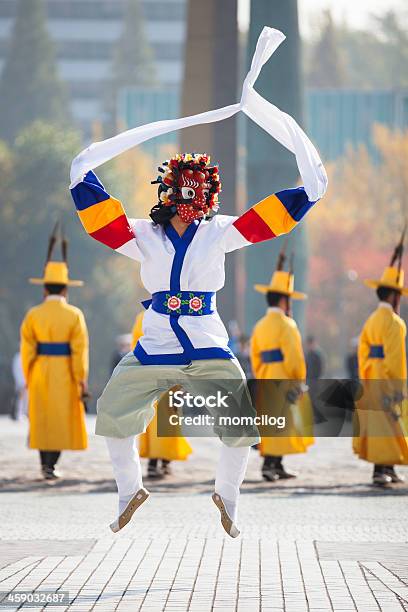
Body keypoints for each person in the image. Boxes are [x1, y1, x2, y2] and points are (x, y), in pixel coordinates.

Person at [71, 152, 322, 537]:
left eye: (198, 192)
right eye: (184, 190)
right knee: (112, 410)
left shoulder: (217, 230)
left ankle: (227, 496)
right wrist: (81, 175)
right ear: (168, 192)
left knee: (240, 420)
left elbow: (264, 221)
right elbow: (104, 223)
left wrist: (307, 192)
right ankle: (129, 490)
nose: (191, 202)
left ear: (207, 196)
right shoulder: (145, 234)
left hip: (206, 341)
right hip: (155, 344)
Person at [20, 224, 89, 480]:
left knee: (42, 417)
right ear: (66, 289)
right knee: (60, 417)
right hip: (65, 372)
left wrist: (28, 374)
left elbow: (27, 348)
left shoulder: (33, 315)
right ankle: (52, 464)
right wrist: (80, 378)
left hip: (39, 368)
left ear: (45, 288)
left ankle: (43, 463)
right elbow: (79, 349)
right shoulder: (74, 315)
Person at [251, 249, 314, 482]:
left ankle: (275, 464)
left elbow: (255, 356)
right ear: (284, 300)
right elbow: (294, 358)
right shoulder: (287, 325)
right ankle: (271, 464)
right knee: (282, 421)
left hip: (266, 376)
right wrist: (299, 381)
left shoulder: (260, 325)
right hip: (284, 377)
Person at [353, 231, 408, 486]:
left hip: (371, 378)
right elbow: (395, 358)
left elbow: (363, 352)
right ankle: (381, 469)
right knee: (389, 425)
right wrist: (397, 387)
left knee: (381, 427)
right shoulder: (395, 323)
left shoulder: (371, 319)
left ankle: (387, 466)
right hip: (386, 380)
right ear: (394, 296)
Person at [131, 311, 192, 479]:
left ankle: (153, 461)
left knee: (151, 416)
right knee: (170, 414)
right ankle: (165, 460)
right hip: (171, 371)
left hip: (149, 371)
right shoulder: (178, 315)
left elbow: (135, 347)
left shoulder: (142, 317)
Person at [11, 350, 27, 420]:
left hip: (27, 382)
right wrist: (20, 382)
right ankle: (17, 414)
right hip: (21, 382)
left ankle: (25, 413)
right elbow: (16, 370)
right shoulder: (17, 357)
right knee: (19, 398)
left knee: (27, 399)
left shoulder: (27, 356)